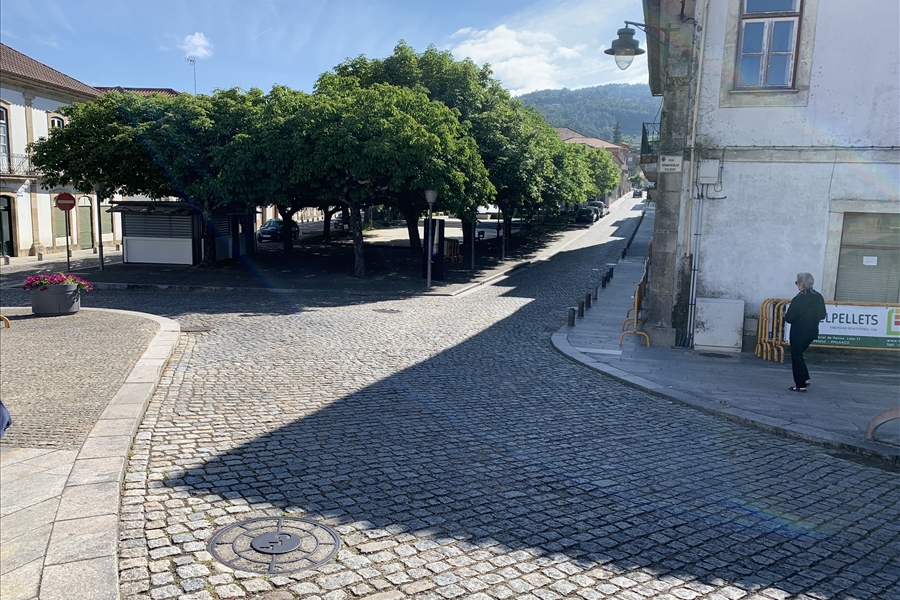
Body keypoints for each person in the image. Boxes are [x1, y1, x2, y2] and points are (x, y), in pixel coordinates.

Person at [783, 272, 827, 392]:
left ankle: (800, 384)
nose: (797, 285)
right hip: (812, 331)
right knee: (799, 355)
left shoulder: (799, 298)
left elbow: (790, 318)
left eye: (797, 283)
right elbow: (822, 315)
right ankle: (805, 378)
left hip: (798, 332)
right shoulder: (818, 296)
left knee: (796, 356)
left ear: (801, 284)